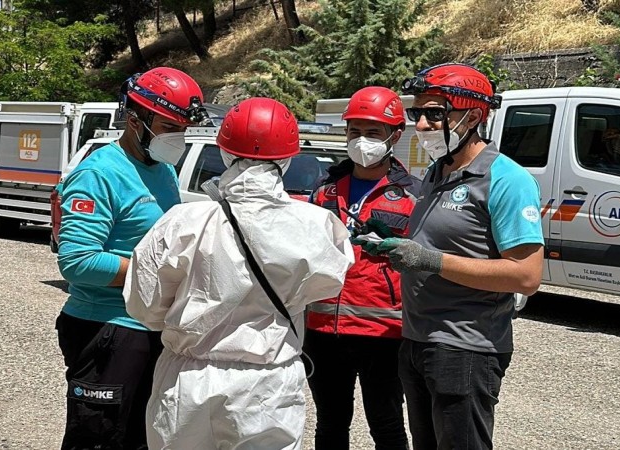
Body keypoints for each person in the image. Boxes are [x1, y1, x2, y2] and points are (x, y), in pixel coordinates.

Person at [123, 97, 355, 450]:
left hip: (188, 380)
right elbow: (327, 286)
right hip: (268, 385)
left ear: (225, 153)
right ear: (288, 158)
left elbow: (144, 307)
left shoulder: (183, 222)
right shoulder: (318, 226)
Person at [358, 63, 544, 450]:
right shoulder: (436, 172)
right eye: (417, 113)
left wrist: (429, 260)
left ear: (473, 117)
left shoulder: (507, 180)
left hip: (465, 348)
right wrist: (393, 243)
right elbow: (438, 243)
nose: (421, 125)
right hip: (416, 340)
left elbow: (526, 276)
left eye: (435, 114)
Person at [55, 66, 207, 450]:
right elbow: (77, 261)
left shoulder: (165, 170)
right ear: (136, 119)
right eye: (169, 126)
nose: (177, 137)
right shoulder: (99, 173)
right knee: (98, 439)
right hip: (106, 328)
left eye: (183, 129)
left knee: (143, 439)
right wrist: (160, 274)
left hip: (152, 327)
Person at [304, 86, 420, 450]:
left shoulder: (413, 195)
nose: (361, 140)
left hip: (383, 333)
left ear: (395, 136)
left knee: (387, 425)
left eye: (372, 132)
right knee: (330, 423)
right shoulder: (324, 189)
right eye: (354, 131)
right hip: (324, 329)